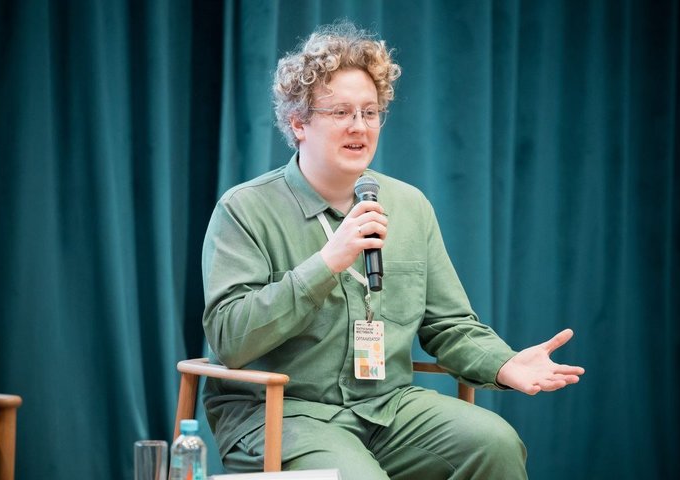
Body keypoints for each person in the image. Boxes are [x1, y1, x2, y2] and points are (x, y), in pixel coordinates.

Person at [201, 22, 584, 479]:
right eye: (341, 112)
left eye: (370, 112)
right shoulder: (245, 208)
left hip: (387, 407)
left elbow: (449, 324)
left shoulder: (408, 205)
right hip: (283, 412)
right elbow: (229, 339)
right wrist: (326, 263)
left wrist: (504, 364)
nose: (359, 127)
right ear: (298, 123)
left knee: (496, 444)